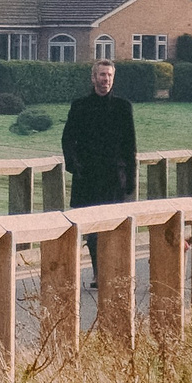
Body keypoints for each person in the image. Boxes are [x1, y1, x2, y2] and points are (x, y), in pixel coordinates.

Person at [63, 58, 135, 286]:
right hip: (88, 176)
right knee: (92, 230)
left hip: (115, 176)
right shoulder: (80, 106)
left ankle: (114, 271)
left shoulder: (123, 107)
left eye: (109, 76)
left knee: (113, 226)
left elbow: (130, 146)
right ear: (94, 78)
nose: (105, 80)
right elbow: (67, 139)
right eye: (102, 75)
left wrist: (131, 179)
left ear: (113, 79)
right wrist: (73, 165)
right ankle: (98, 272)